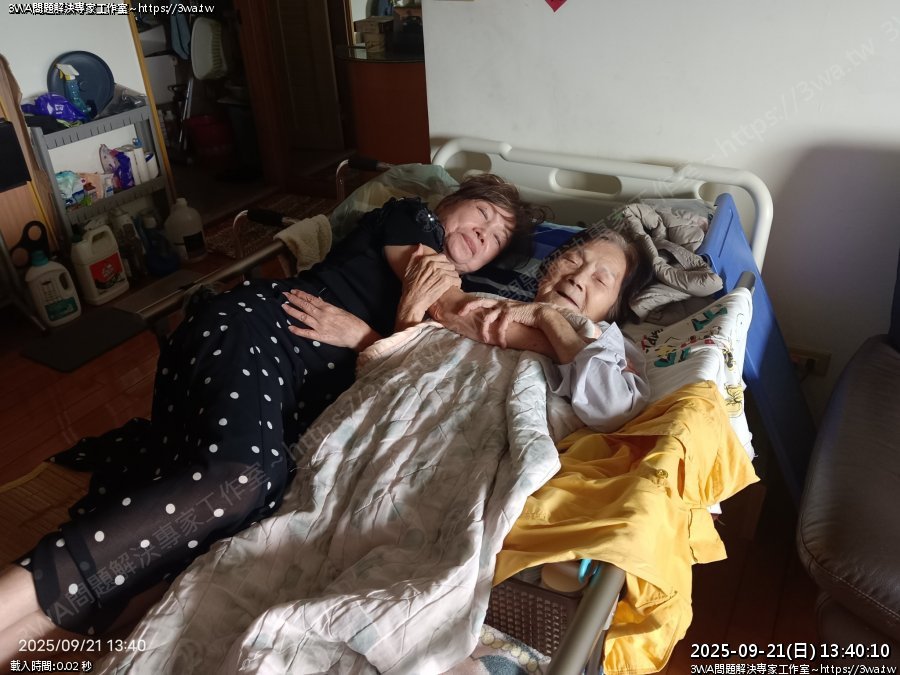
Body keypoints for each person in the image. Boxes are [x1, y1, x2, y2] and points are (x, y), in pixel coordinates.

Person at [0, 174, 548, 654]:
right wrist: (570, 337)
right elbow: (451, 303)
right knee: (244, 478)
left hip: (285, 399)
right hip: (258, 331)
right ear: (447, 205)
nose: (484, 233)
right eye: (482, 214)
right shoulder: (411, 223)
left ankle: (37, 644)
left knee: (222, 526)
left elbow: (405, 367)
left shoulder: (442, 314)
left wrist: (365, 338)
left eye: (497, 239)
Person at [436, 221, 656, 431]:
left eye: (600, 280)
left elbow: (611, 409)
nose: (578, 278)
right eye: (572, 261)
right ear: (546, 270)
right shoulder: (490, 302)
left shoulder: (609, 344)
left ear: (614, 308)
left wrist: (546, 316)